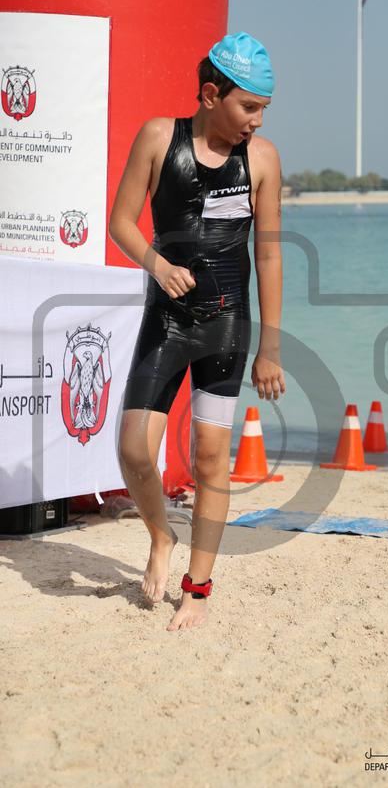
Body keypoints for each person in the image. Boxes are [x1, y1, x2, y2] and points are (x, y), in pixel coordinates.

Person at [108, 31, 284, 631]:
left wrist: (270, 348)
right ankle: (161, 535)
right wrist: (157, 265)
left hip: (227, 324)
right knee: (134, 448)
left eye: (263, 109)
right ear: (211, 95)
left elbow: (269, 255)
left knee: (210, 457)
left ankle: (198, 587)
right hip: (168, 318)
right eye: (249, 107)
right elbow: (121, 222)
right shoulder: (160, 138)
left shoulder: (262, 159)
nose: (257, 121)